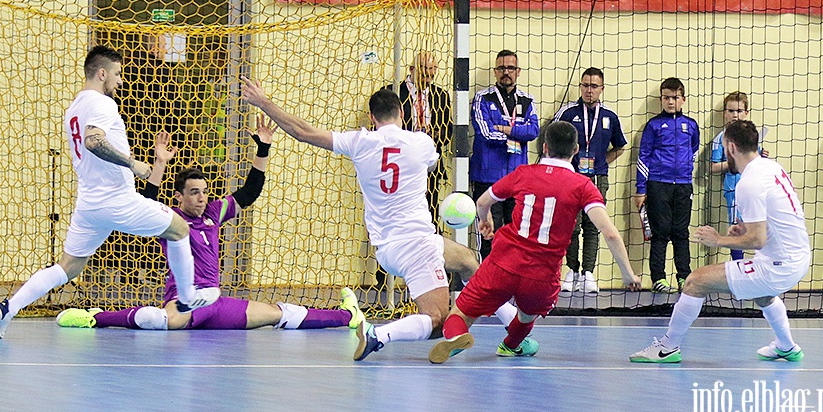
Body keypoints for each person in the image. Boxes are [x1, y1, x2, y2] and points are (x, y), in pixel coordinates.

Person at [239, 79, 519, 361]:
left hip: (390, 247)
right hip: (415, 246)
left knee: (469, 261)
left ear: (372, 118)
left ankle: (514, 330)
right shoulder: (420, 142)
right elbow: (432, 162)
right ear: (402, 113)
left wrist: (264, 102)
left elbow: (303, 132)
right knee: (436, 321)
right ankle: (378, 335)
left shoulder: (359, 141)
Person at [0, 45, 219, 339]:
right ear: (101, 74)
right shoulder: (102, 103)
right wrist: (134, 164)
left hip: (89, 203)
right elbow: (93, 141)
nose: (120, 81)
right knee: (179, 228)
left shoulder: (74, 108)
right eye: (118, 75)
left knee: (68, 267)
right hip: (116, 198)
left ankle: (9, 307)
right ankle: (186, 299)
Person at [55, 122, 364, 332]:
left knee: (278, 313)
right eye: (193, 192)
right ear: (180, 196)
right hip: (185, 300)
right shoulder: (170, 220)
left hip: (216, 303)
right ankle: (95, 318)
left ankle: (348, 316)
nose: (201, 197)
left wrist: (263, 148)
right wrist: (159, 162)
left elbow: (249, 192)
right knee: (159, 321)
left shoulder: (214, 213)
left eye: (204, 191)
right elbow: (146, 199)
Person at [429, 121, 641, 364]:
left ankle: (457, 335)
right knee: (526, 315)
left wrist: (486, 221)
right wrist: (628, 275)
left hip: (503, 264)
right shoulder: (583, 186)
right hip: (542, 276)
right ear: (575, 150)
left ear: (544, 148)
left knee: (460, 312)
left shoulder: (524, 174)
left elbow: (482, 202)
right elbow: (610, 233)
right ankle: (511, 345)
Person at [630, 120, 810, 363]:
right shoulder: (770, 167)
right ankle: (787, 347)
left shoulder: (749, 183)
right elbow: (771, 219)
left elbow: (757, 240)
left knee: (695, 281)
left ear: (731, 147)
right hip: (796, 257)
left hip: (779, 265)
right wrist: (743, 228)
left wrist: (719, 240)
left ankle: (667, 348)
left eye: (725, 148)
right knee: (761, 293)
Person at [553, 67, 627, 293]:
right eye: (585, 85)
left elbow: (620, 146)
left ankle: (588, 273)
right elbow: (552, 142)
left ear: (601, 89)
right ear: (580, 87)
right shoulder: (567, 113)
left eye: (594, 86)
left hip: (598, 178)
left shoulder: (609, 117)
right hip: (571, 178)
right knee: (570, 226)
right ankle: (572, 270)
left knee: (594, 226)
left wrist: (602, 164)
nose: (589, 90)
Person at [470, 50, 540, 261]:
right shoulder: (482, 98)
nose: (506, 72)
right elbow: (485, 132)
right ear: (495, 71)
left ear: (518, 72)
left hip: (517, 179)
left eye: (510, 68)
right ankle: (487, 282)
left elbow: (533, 131)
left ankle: (509, 281)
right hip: (487, 177)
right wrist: (517, 133)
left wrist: (506, 129)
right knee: (489, 233)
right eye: (501, 68)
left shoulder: (527, 100)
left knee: (516, 234)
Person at [633, 77, 700, 294]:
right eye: (666, 97)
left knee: (681, 232)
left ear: (683, 99)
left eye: (675, 97)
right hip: (658, 185)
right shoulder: (653, 126)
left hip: (683, 185)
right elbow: (644, 156)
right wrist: (641, 189)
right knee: (660, 233)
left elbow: (694, 150)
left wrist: (685, 171)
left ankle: (684, 277)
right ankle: (658, 278)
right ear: (661, 99)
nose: (671, 102)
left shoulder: (690, 125)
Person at [384, 51, 452, 227]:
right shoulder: (392, 93)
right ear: (412, 69)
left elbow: (448, 131)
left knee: (429, 214)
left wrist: (435, 136)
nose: (429, 77)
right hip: (400, 165)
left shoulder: (441, 96)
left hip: (429, 168)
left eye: (432, 71)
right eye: (425, 71)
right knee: (400, 213)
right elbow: (382, 130)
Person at [709, 91, 769, 261]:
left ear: (746, 113)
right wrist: (736, 162)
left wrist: (759, 156)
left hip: (755, 189)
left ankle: (760, 265)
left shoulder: (752, 137)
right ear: (725, 113)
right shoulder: (721, 138)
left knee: (758, 226)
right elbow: (713, 167)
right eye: (731, 111)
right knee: (736, 228)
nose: (735, 115)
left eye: (739, 111)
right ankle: (738, 265)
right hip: (734, 189)